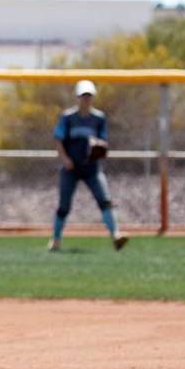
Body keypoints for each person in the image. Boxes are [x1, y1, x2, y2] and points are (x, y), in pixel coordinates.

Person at [49, 80, 128, 252]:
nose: (86, 99)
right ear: (77, 97)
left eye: (89, 96)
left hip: (92, 168)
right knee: (64, 206)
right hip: (71, 168)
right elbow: (58, 139)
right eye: (83, 96)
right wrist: (65, 159)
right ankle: (55, 240)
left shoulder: (98, 118)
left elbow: (103, 141)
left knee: (105, 200)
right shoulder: (68, 117)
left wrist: (98, 144)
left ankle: (116, 235)